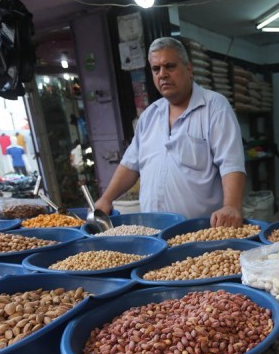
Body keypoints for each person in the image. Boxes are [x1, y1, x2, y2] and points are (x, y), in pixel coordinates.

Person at [94, 37, 246, 227]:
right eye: (156, 69)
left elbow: (231, 163)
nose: (162, 74)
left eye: (170, 66)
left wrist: (231, 206)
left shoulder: (214, 107)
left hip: (200, 232)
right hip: (153, 231)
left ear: (189, 68)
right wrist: (106, 199)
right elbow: (130, 165)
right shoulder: (149, 115)